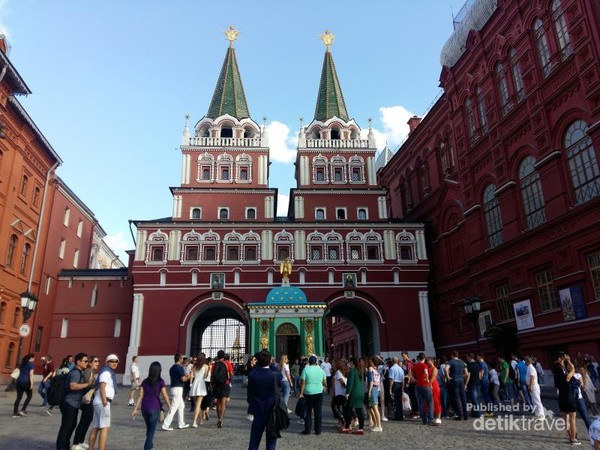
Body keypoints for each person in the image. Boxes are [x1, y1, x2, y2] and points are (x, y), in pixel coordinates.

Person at [56, 353, 93, 450]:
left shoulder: (79, 372)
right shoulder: (75, 373)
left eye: (87, 361)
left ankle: (65, 445)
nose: (87, 363)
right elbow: (73, 386)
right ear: (78, 362)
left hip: (74, 404)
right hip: (69, 403)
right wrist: (87, 384)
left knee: (71, 425)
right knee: (66, 426)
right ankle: (60, 447)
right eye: (85, 361)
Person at [247, 350, 283, 450]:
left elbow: (250, 392)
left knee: (254, 440)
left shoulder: (253, 374)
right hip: (272, 410)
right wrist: (271, 365)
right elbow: (280, 383)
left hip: (258, 410)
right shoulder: (274, 374)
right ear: (270, 360)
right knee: (271, 441)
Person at [132, 361, 171, 450]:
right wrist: (169, 405)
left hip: (144, 408)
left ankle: (151, 446)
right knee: (151, 431)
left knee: (149, 429)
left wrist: (135, 409)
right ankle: (147, 447)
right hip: (155, 407)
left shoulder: (145, 381)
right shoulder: (161, 381)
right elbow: (164, 395)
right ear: (159, 371)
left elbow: (140, 395)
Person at [89, 354, 119, 450]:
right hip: (103, 401)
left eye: (116, 361)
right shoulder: (106, 373)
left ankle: (91, 448)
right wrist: (105, 401)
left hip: (99, 401)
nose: (114, 363)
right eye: (111, 361)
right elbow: (102, 387)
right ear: (107, 362)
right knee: (104, 427)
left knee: (96, 426)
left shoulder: (106, 372)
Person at [72, 355, 100, 450]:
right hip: (86, 400)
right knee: (84, 421)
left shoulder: (91, 372)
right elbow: (89, 385)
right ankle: (76, 443)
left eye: (98, 361)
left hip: (89, 399)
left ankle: (81, 441)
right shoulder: (89, 371)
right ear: (90, 362)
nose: (97, 363)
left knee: (87, 420)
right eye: (95, 361)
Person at [553, 352, 580, 445]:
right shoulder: (559, 368)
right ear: (560, 358)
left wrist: (567, 361)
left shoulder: (557, 367)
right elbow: (568, 376)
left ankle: (570, 437)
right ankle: (573, 439)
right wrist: (572, 369)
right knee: (572, 419)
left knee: (566, 419)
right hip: (568, 396)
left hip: (561, 396)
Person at [162, 353, 193, 431]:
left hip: (174, 388)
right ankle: (166, 424)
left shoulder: (172, 368)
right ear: (179, 359)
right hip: (178, 388)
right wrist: (190, 376)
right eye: (182, 358)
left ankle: (181, 423)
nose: (183, 359)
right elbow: (183, 379)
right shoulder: (179, 368)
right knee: (174, 407)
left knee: (181, 406)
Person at [298, 355, 326, 435]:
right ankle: (318, 430)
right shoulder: (321, 370)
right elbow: (324, 382)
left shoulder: (306, 370)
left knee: (308, 412)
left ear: (309, 362)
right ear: (316, 362)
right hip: (318, 393)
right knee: (318, 412)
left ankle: (308, 430)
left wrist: (301, 393)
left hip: (308, 393)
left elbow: (303, 382)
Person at [342, 356, 365, 435]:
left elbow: (350, 384)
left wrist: (347, 393)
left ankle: (348, 426)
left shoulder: (352, 372)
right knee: (359, 410)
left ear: (352, 362)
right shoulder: (360, 371)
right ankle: (361, 427)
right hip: (360, 392)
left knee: (347, 409)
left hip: (353, 393)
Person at [211, 350, 231, 428]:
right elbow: (231, 373)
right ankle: (221, 419)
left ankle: (218, 418)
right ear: (223, 356)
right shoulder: (227, 364)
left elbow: (212, 375)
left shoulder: (214, 365)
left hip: (217, 385)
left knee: (218, 403)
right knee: (223, 403)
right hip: (225, 384)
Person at [446, 350, 468, 420]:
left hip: (454, 380)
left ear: (452, 355)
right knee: (463, 397)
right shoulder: (462, 362)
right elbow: (466, 373)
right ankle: (466, 414)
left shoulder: (451, 361)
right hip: (461, 380)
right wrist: (461, 376)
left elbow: (446, 369)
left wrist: (448, 376)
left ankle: (460, 415)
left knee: (457, 398)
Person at [13, 353, 35, 418]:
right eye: (33, 358)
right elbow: (31, 375)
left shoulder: (22, 363)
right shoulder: (31, 365)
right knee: (29, 396)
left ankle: (15, 413)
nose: (34, 359)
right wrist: (31, 384)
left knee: (19, 397)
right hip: (26, 382)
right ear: (31, 358)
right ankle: (23, 410)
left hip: (18, 381)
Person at [190, 353, 209, 427]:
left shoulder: (194, 366)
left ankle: (200, 419)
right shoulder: (206, 366)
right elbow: (205, 376)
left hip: (195, 384)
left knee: (196, 404)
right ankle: (194, 421)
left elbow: (193, 375)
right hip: (201, 384)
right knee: (198, 404)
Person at [366, 357, 383, 431]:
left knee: (374, 408)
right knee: (372, 407)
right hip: (376, 388)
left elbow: (371, 381)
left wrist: (369, 391)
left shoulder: (370, 369)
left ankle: (378, 426)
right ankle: (376, 424)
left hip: (373, 389)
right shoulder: (377, 370)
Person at [331, 358, 347, 429]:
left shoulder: (338, 372)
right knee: (340, 407)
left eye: (334, 363)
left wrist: (345, 387)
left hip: (340, 393)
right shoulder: (343, 371)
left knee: (334, 407)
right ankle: (341, 421)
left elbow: (342, 382)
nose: (332, 364)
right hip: (341, 392)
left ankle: (342, 419)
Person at [388, 356, 405, 421]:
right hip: (400, 384)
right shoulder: (401, 369)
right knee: (399, 401)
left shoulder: (392, 368)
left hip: (395, 384)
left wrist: (390, 388)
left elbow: (391, 379)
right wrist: (402, 387)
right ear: (397, 361)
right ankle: (401, 416)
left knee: (395, 401)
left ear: (392, 361)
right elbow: (403, 379)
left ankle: (397, 416)